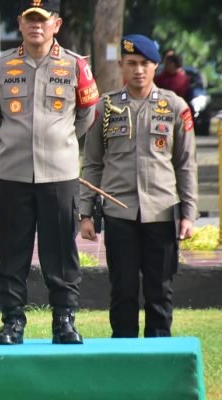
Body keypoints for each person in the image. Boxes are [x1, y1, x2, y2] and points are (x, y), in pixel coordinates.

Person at [0, 0, 99, 345]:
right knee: (11, 252)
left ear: (56, 24)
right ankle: (12, 321)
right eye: (30, 19)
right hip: (13, 175)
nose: (36, 26)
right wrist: (16, 141)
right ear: (20, 22)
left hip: (59, 176)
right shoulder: (0, 67)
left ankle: (64, 321)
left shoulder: (76, 66)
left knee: (61, 252)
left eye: (43, 20)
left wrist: (58, 142)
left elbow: (86, 114)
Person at [80, 34, 197, 338]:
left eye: (145, 63)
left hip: (161, 212)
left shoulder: (174, 106)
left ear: (155, 66)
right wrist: (85, 213)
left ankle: (159, 358)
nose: (138, 70)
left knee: (160, 292)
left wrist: (189, 214)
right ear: (121, 65)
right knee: (123, 291)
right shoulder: (105, 108)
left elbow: (185, 163)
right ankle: (123, 357)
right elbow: (92, 163)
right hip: (120, 214)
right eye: (131, 63)